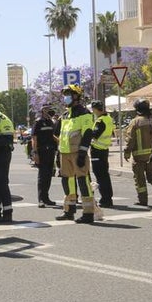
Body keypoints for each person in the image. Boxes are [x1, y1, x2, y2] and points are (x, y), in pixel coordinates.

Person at [56, 84, 101, 224]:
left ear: (76, 96)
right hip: (64, 153)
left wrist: (82, 153)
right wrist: (59, 154)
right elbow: (60, 134)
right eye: (65, 94)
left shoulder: (85, 113)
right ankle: (69, 211)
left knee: (83, 181)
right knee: (67, 182)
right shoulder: (65, 115)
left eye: (69, 94)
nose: (66, 97)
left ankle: (88, 213)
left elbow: (87, 134)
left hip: (77, 153)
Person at [123, 99, 152, 207]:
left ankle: (143, 200)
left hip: (139, 157)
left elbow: (130, 139)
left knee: (140, 179)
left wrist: (127, 152)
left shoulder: (135, 122)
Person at [31, 105, 59, 207]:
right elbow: (34, 138)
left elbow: (51, 135)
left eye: (50, 108)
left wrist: (60, 142)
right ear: (43, 110)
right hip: (41, 152)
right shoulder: (38, 122)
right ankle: (41, 199)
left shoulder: (50, 122)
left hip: (50, 151)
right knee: (42, 176)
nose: (50, 110)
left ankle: (46, 198)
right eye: (47, 109)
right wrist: (35, 153)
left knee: (48, 175)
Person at [90, 101, 115, 208]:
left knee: (100, 176)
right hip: (104, 149)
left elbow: (95, 135)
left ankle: (105, 199)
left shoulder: (100, 121)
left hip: (97, 150)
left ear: (95, 109)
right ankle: (108, 197)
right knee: (105, 175)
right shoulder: (108, 118)